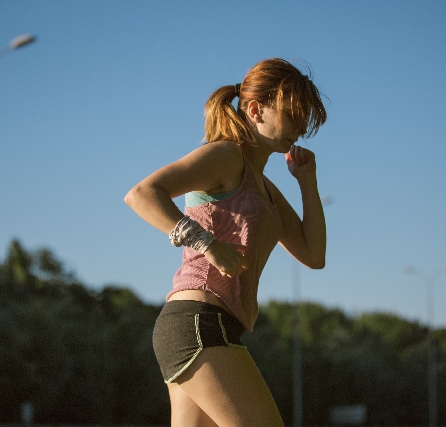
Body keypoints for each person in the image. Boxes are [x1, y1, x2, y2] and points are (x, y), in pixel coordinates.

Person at [124, 58, 327, 427]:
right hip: (198, 322)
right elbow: (142, 194)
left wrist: (307, 182)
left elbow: (313, 255)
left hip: (208, 327)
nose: (300, 127)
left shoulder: (265, 188)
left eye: (305, 117)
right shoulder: (225, 155)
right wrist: (206, 243)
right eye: (292, 113)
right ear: (255, 109)